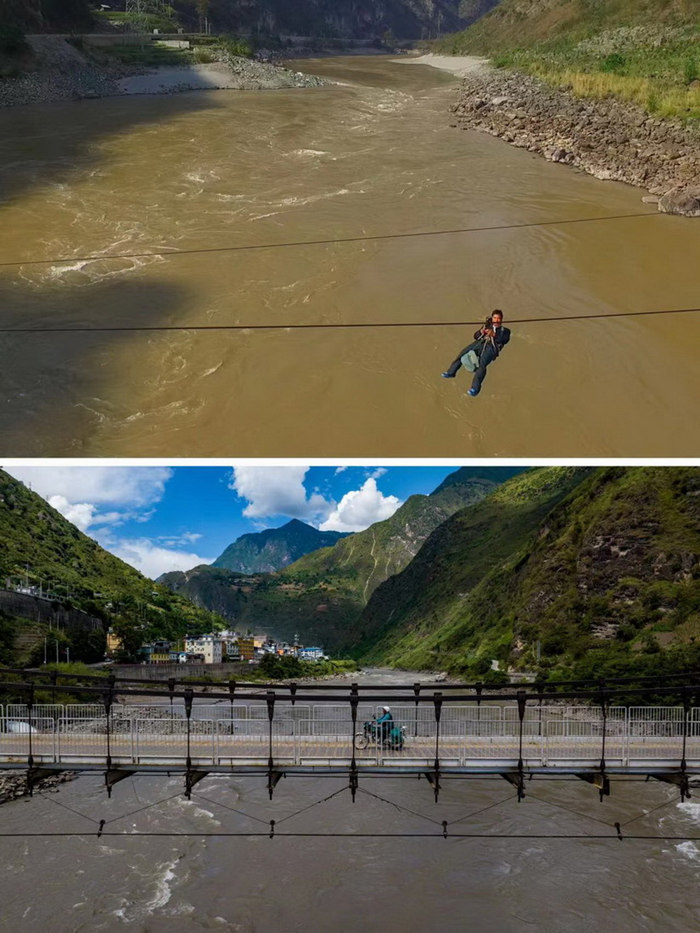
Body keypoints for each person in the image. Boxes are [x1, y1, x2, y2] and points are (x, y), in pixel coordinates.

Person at [441, 309, 511, 397]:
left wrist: (493, 334)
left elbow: (503, 340)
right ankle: (451, 372)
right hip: (480, 343)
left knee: (482, 363)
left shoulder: (505, 331)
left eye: (498, 318)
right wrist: (482, 331)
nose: (496, 320)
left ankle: (475, 388)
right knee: (463, 352)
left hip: (491, 348)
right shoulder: (487, 326)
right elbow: (476, 336)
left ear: (501, 320)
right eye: (495, 318)